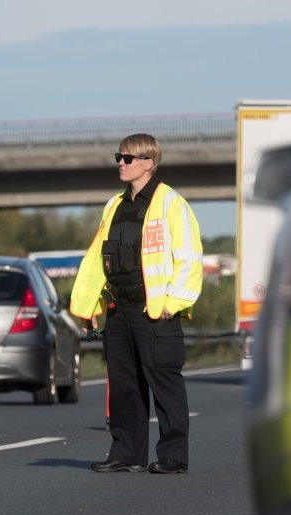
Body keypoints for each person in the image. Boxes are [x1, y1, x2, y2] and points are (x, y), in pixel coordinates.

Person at [69, 133, 203, 474]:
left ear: (149, 162)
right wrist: (90, 305)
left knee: (165, 384)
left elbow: (189, 258)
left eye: (127, 158)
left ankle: (173, 456)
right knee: (125, 386)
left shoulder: (171, 203)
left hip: (155, 309)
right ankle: (127, 453)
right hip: (119, 309)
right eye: (119, 157)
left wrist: (174, 302)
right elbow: (100, 257)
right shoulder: (114, 204)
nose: (121, 163)